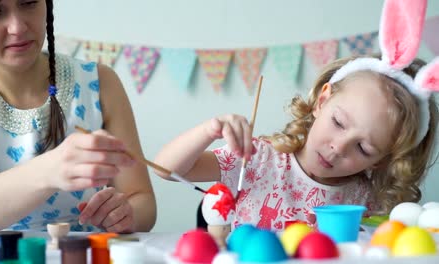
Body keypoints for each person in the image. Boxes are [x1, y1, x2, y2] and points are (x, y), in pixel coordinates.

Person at [154, 0, 438, 231]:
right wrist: (209, 130)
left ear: (383, 161)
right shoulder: (257, 159)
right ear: (322, 101)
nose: (338, 147)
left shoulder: (365, 202)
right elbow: (166, 169)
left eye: (363, 148)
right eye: (338, 123)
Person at [0, 0, 156, 233]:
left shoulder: (99, 82)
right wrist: (50, 170)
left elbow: (143, 202)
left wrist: (125, 214)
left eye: (29, 3)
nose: (17, 27)